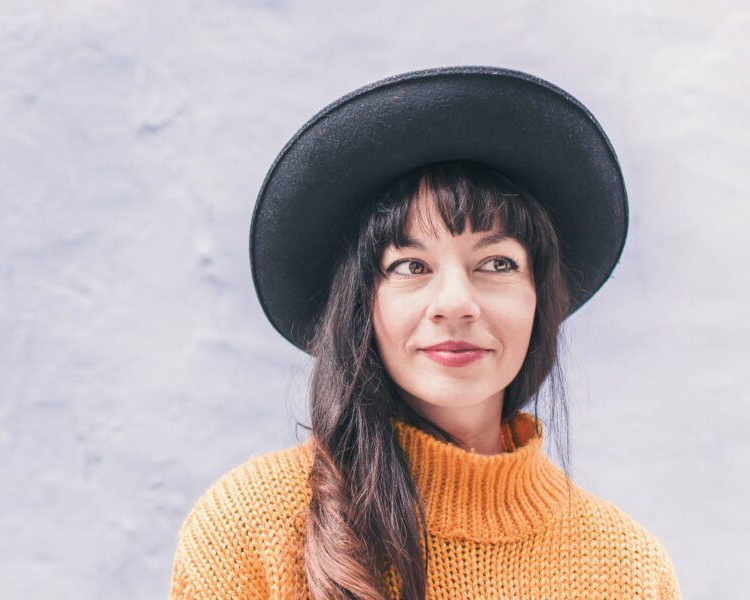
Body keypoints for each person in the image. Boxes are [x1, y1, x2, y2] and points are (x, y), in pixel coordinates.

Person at [168, 67, 682, 599]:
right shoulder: (251, 527)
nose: (456, 303)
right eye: (410, 266)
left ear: (539, 298)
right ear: (361, 305)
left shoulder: (629, 570)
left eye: (498, 263)